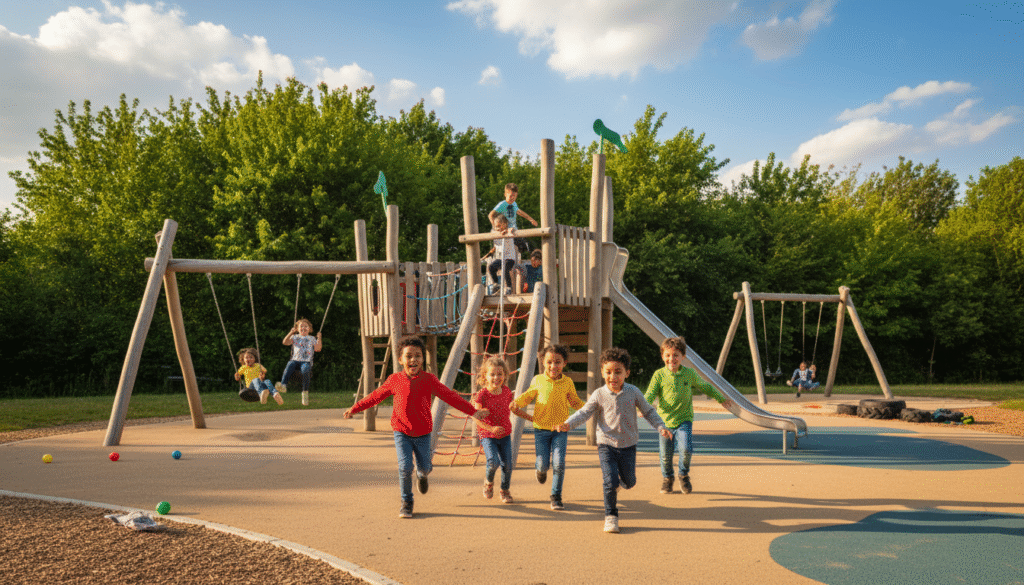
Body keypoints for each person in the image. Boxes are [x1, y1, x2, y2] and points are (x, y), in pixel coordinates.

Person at [344, 337, 489, 519]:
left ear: (423, 359)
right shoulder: (394, 380)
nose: (413, 360)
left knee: (426, 467)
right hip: (401, 431)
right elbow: (375, 396)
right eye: (409, 356)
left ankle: (422, 475)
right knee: (405, 468)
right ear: (400, 360)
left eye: (418, 356)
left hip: (423, 433)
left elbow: (449, 396)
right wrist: (355, 408)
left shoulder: (429, 380)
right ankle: (407, 502)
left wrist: (472, 412)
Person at [558, 348, 671, 534]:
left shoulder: (633, 392)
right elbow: (584, 412)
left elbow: (649, 411)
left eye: (618, 372)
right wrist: (568, 424)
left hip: (628, 444)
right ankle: (611, 516)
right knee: (609, 481)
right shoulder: (599, 394)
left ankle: (619, 484)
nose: (613, 376)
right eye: (608, 372)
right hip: (606, 444)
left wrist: (660, 426)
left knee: (630, 481)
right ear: (602, 372)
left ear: (627, 373)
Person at [644, 337, 733, 495]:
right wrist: (643, 406)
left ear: (683, 356)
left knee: (686, 449)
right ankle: (668, 478)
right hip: (664, 422)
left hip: (684, 420)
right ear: (663, 356)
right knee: (666, 455)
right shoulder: (659, 375)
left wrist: (720, 398)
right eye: (668, 355)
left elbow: (704, 386)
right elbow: (650, 394)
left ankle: (683, 475)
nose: (672, 359)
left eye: (676, 355)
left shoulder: (689, 373)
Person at [510, 344, 582, 511]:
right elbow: (528, 396)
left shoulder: (567, 382)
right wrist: (517, 403)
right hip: (541, 429)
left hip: (560, 430)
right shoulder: (538, 380)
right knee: (543, 463)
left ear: (564, 363)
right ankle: (540, 470)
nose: (553, 366)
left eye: (557, 362)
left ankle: (556, 496)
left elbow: (575, 401)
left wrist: (589, 408)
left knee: (559, 464)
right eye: (549, 362)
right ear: (543, 362)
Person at [472, 356, 516, 504]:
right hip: (487, 434)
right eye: (492, 374)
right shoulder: (482, 395)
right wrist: (490, 428)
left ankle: (504, 490)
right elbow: (476, 418)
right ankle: (489, 482)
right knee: (493, 462)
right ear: (485, 376)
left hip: (504, 434)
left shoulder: (507, 392)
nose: (496, 377)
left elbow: (510, 408)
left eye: (500, 374)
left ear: (505, 375)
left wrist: (517, 405)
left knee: (508, 465)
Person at [278, 318, 322, 406]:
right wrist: (291, 332)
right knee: (290, 364)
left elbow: (318, 348)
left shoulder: (312, 338)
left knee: (306, 370)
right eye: (301, 326)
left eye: (306, 326)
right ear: (297, 329)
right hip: (295, 360)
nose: (304, 328)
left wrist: (319, 338)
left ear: (310, 329)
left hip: (306, 362)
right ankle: (283, 385)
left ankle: (305, 393)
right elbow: (285, 342)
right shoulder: (295, 337)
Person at [488, 183, 537, 256]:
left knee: (524, 246)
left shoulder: (514, 204)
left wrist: (531, 219)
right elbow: (490, 215)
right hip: (505, 231)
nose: (512, 198)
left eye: (515, 196)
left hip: (513, 230)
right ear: (505, 194)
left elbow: (520, 212)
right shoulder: (502, 204)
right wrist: (496, 228)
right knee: (508, 251)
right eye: (510, 196)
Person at [481, 214, 518, 294]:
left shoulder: (509, 231)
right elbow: (492, 235)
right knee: (491, 267)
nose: (497, 228)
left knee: (505, 269)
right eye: (495, 226)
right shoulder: (495, 232)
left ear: (505, 225)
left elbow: (512, 230)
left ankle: (508, 287)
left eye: (499, 226)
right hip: (500, 258)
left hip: (509, 258)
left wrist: (507, 231)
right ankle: (496, 283)